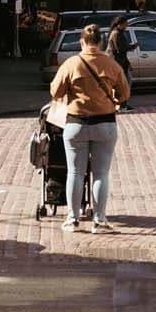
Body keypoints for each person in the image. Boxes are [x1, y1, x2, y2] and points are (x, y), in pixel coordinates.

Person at [49, 22, 131, 234]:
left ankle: (72, 218)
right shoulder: (111, 64)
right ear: (101, 42)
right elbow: (125, 94)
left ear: (82, 41)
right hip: (105, 122)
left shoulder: (71, 63)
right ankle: (99, 220)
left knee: (75, 173)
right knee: (101, 173)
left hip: (76, 123)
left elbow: (55, 92)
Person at [107, 16, 136, 112]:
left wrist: (128, 63)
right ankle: (121, 105)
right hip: (116, 63)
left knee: (126, 82)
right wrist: (132, 46)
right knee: (122, 84)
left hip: (120, 62)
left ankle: (122, 104)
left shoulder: (119, 33)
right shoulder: (116, 34)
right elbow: (120, 49)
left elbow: (122, 53)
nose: (126, 25)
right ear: (120, 24)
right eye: (125, 23)